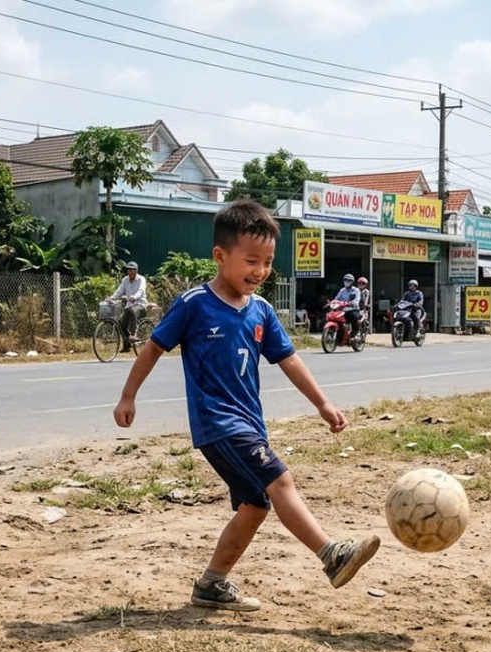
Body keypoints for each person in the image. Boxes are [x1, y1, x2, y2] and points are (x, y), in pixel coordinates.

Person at [112, 198, 379, 612]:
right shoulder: (194, 304)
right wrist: (129, 395)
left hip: (249, 424)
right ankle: (332, 555)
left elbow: (289, 360)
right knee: (280, 481)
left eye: (268, 262)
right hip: (218, 425)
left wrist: (322, 404)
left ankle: (211, 584)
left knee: (256, 505)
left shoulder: (262, 311)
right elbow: (153, 348)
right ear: (220, 256)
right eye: (251, 261)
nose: (260, 271)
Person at [111, 261, 147, 352]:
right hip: (129, 307)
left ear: (136, 270)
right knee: (119, 325)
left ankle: (133, 334)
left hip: (140, 306)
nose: (131, 271)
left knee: (132, 311)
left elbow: (141, 290)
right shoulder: (125, 280)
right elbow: (119, 291)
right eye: (129, 269)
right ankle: (127, 345)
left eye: (133, 269)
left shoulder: (141, 279)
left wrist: (135, 297)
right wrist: (111, 298)